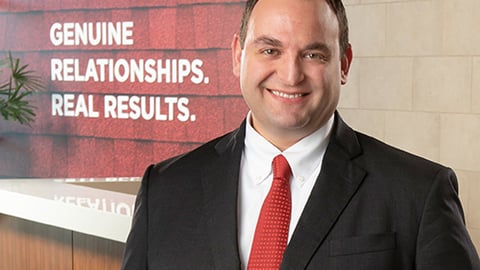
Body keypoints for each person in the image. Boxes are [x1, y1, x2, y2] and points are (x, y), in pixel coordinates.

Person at [121, 0, 480, 269]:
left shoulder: (418, 193)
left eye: (313, 54)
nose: (290, 75)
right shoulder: (164, 189)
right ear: (236, 55)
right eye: (269, 50)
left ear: (344, 64)